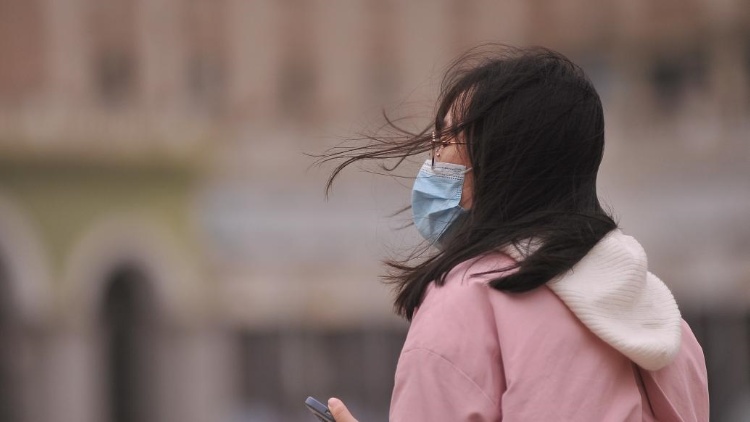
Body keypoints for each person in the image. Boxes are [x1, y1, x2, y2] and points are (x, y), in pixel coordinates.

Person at [320, 45, 709, 421]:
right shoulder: (660, 318)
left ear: (499, 163)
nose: (432, 161)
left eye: (445, 141)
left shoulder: (466, 303)